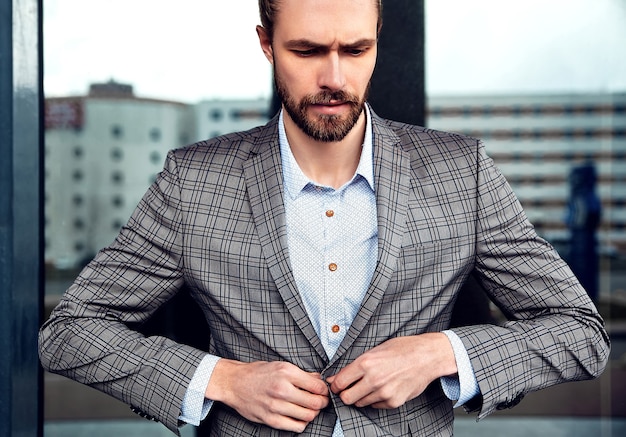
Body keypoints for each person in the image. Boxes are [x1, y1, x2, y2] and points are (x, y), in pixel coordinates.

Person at [39, 0, 610, 436]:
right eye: (307, 51)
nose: (334, 78)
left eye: (355, 50)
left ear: (378, 43)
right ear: (267, 44)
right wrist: (222, 380)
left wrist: (442, 354)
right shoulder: (194, 182)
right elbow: (70, 333)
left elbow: (580, 332)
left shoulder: (464, 173)